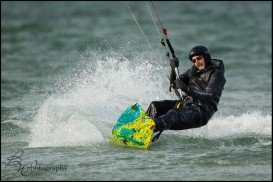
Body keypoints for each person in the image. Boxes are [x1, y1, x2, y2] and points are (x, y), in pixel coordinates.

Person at [146, 45, 226, 134]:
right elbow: (174, 83)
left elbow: (208, 95)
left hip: (201, 112)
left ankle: (145, 130)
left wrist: (187, 89)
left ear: (206, 57)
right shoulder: (192, 72)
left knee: (174, 114)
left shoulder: (216, 74)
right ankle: (142, 127)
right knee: (155, 106)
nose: (197, 62)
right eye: (194, 61)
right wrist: (173, 68)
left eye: (199, 58)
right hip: (186, 105)